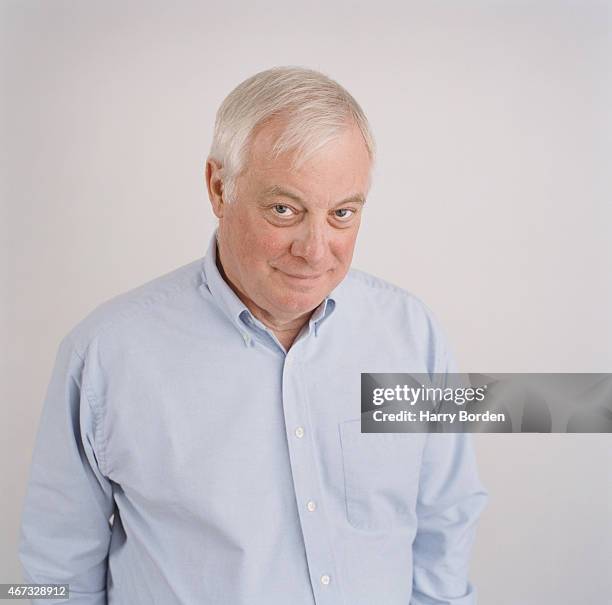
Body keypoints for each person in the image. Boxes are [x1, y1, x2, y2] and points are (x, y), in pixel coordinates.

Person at [20, 66, 488, 605]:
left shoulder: (415, 332)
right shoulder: (102, 354)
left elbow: (447, 517)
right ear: (220, 189)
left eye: (341, 214)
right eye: (284, 210)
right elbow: (50, 576)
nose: (315, 249)